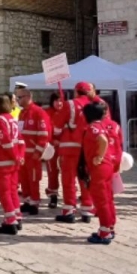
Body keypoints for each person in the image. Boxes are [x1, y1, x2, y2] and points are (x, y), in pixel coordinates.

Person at [54, 82, 95, 223]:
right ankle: (87, 209)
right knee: (85, 177)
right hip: (87, 146)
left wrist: (57, 135)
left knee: (68, 178)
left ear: (76, 91)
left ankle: (69, 210)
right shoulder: (93, 105)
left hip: (69, 146)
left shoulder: (70, 104)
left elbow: (57, 127)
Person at [83, 101, 121, 244]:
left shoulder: (93, 127)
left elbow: (103, 140)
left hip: (99, 168)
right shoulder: (102, 125)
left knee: (101, 200)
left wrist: (99, 156)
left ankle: (104, 231)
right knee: (108, 198)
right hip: (107, 166)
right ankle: (109, 226)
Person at [0, 94, 23, 235]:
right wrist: (20, 156)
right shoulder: (12, 119)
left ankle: (10, 221)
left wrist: (15, 156)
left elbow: (5, 142)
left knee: (4, 192)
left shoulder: (0, 120)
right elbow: (21, 140)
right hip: (13, 163)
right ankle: (17, 216)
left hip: (3, 162)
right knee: (13, 190)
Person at [16, 87, 50, 216]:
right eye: (17, 97)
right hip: (23, 153)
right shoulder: (22, 113)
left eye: (20, 97)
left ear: (28, 97)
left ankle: (35, 202)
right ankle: (27, 200)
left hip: (33, 154)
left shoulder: (38, 112)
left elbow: (44, 134)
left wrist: (38, 151)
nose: (18, 100)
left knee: (34, 179)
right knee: (24, 179)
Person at [46, 93, 65, 208]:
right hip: (52, 147)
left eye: (61, 100)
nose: (59, 103)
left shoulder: (67, 112)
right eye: (57, 101)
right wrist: (52, 140)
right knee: (52, 172)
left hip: (65, 147)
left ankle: (69, 197)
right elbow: (45, 129)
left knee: (67, 173)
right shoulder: (47, 113)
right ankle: (53, 195)